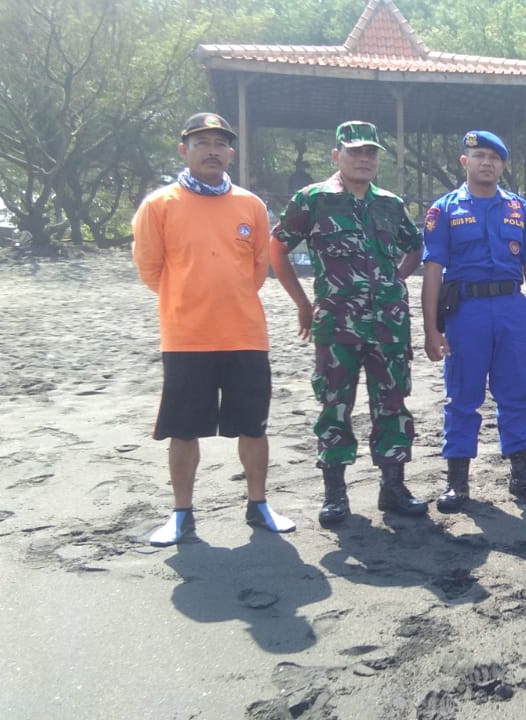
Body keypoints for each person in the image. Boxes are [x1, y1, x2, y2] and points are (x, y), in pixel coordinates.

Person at [132, 112, 294, 546]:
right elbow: (150, 268)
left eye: (220, 144)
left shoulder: (250, 205)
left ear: (231, 153)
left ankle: (258, 504)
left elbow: (258, 268)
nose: (212, 151)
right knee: (183, 429)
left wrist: (229, 297)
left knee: (253, 426)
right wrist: (189, 297)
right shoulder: (159, 205)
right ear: (183, 150)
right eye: (202, 143)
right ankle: (181, 513)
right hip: (187, 338)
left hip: (245, 336)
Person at [271, 121, 427, 527]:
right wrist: (302, 303)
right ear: (336, 155)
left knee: (392, 404)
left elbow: (415, 247)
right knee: (335, 406)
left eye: (370, 152)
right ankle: (335, 495)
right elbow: (278, 247)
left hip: (389, 325)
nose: (363, 159)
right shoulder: (313, 200)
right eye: (355, 151)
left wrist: (395, 281)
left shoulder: (390, 204)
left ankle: (393, 488)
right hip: (336, 325)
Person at [420, 130, 526, 512]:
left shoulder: (519, 208)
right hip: (466, 311)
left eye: (494, 158)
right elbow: (432, 271)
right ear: (465, 162)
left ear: (502, 165)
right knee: (462, 395)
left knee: (516, 392)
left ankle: (522, 475)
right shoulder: (444, 210)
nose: (487, 163)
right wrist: (430, 329)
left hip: (511, 308)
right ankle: (457, 482)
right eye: (479, 155)